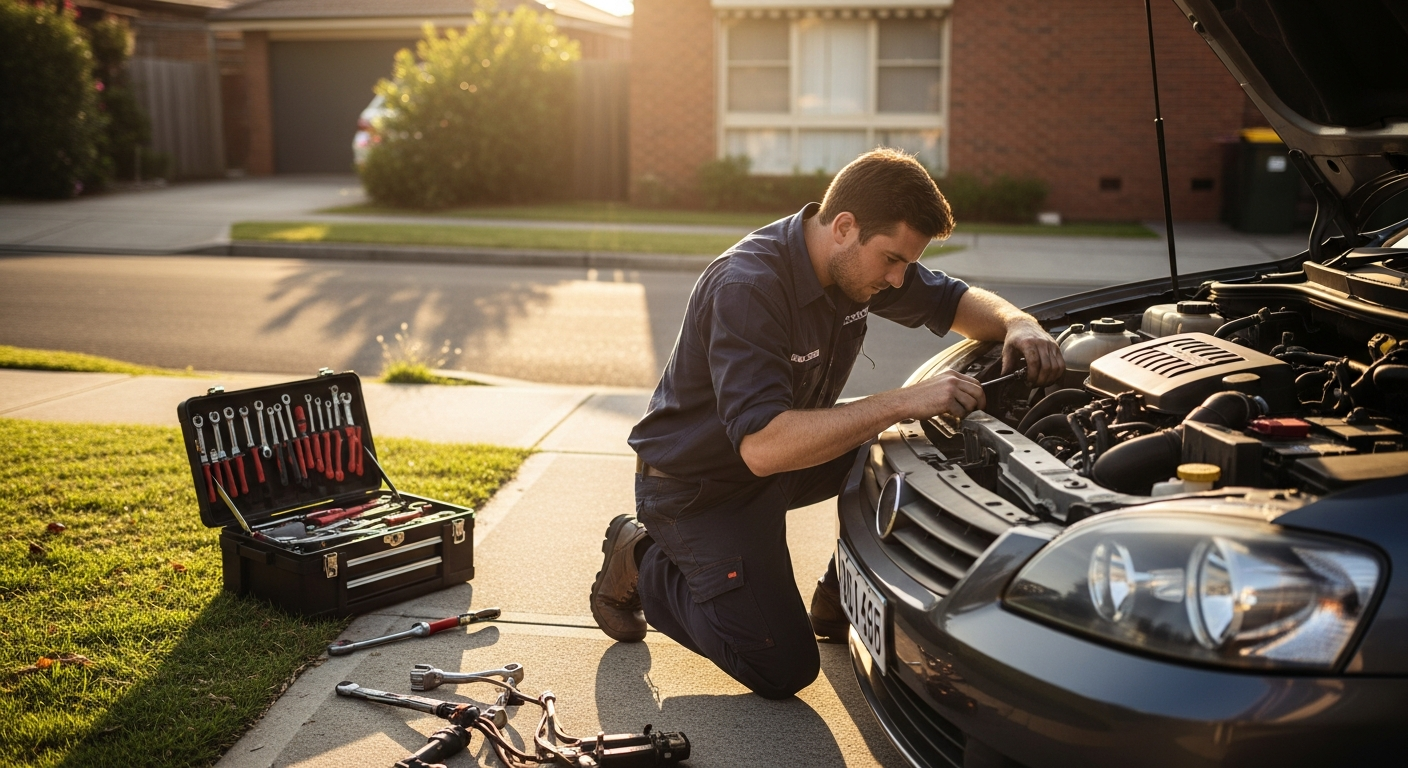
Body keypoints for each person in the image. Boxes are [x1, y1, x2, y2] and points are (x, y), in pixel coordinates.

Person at [589, 149, 1065, 699]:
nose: (898, 278)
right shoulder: (749, 287)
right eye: (891, 260)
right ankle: (639, 556)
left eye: (907, 265)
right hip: (699, 489)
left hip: (780, 461)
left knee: (914, 450)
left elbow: (955, 301)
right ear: (844, 228)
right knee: (782, 667)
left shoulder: (860, 265)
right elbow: (763, 448)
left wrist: (1018, 322)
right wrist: (902, 400)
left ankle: (842, 589)